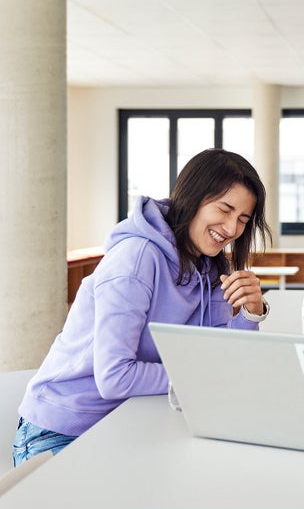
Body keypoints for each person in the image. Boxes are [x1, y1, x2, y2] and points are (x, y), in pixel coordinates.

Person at [13, 148, 272, 465]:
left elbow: (219, 355)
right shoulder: (136, 259)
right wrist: (198, 376)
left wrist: (251, 312)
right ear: (192, 198)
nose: (232, 229)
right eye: (225, 209)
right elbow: (114, 378)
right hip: (64, 431)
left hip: (133, 418)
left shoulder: (211, 269)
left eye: (243, 220)